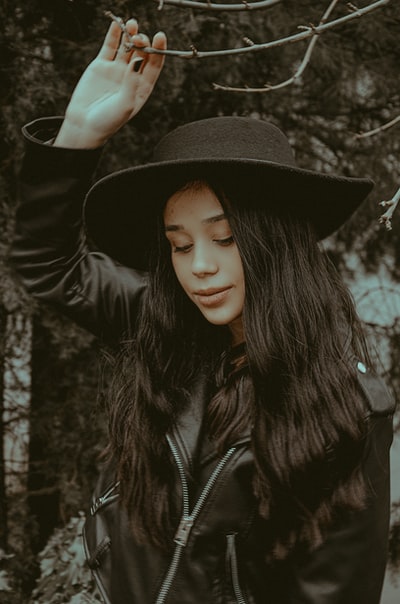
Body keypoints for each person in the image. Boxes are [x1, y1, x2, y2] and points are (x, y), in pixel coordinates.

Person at [10, 18, 395, 604]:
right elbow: (48, 265)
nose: (200, 267)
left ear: (274, 241)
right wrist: (79, 135)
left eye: (226, 238)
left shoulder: (346, 410)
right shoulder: (160, 327)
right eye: (180, 245)